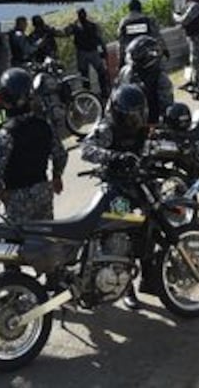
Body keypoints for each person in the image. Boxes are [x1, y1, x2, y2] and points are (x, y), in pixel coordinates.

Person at [81, 83, 151, 308]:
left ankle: (151, 279)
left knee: (151, 230)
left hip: (141, 185)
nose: (134, 120)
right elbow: (87, 149)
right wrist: (113, 157)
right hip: (116, 188)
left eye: (138, 114)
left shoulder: (144, 128)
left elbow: (153, 147)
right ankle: (125, 288)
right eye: (130, 116)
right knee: (119, 235)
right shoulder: (107, 127)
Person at [0, 68, 67, 223]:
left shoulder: (6, 133)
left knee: (21, 242)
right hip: (42, 192)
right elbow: (60, 154)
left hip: (17, 198)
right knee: (45, 239)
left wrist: (0, 193)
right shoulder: (44, 125)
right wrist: (56, 176)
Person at [117, 35, 174, 129]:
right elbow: (116, 94)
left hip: (151, 125)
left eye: (137, 55)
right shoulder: (126, 71)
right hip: (127, 121)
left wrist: (156, 125)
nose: (134, 59)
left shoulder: (160, 77)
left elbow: (166, 106)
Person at [64, 7, 110, 99]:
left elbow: (99, 39)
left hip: (90, 52)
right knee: (86, 75)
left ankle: (101, 92)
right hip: (85, 52)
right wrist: (103, 51)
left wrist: (103, 51)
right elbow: (66, 32)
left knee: (97, 73)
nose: (82, 16)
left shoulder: (89, 26)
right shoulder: (77, 26)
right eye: (80, 14)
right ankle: (91, 93)